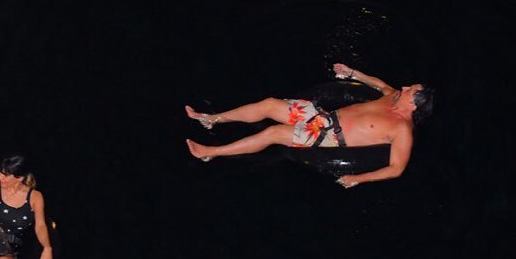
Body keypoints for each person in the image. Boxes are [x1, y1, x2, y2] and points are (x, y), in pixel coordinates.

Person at [185, 63, 434, 188]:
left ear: (414, 104)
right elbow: (380, 85)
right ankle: (213, 119)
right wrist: (352, 73)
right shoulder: (393, 96)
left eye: (410, 90)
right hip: (323, 116)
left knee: (273, 133)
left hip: (328, 134)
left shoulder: (401, 130)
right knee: (269, 104)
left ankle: (211, 152)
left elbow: (396, 169)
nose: (404, 87)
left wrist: (358, 178)